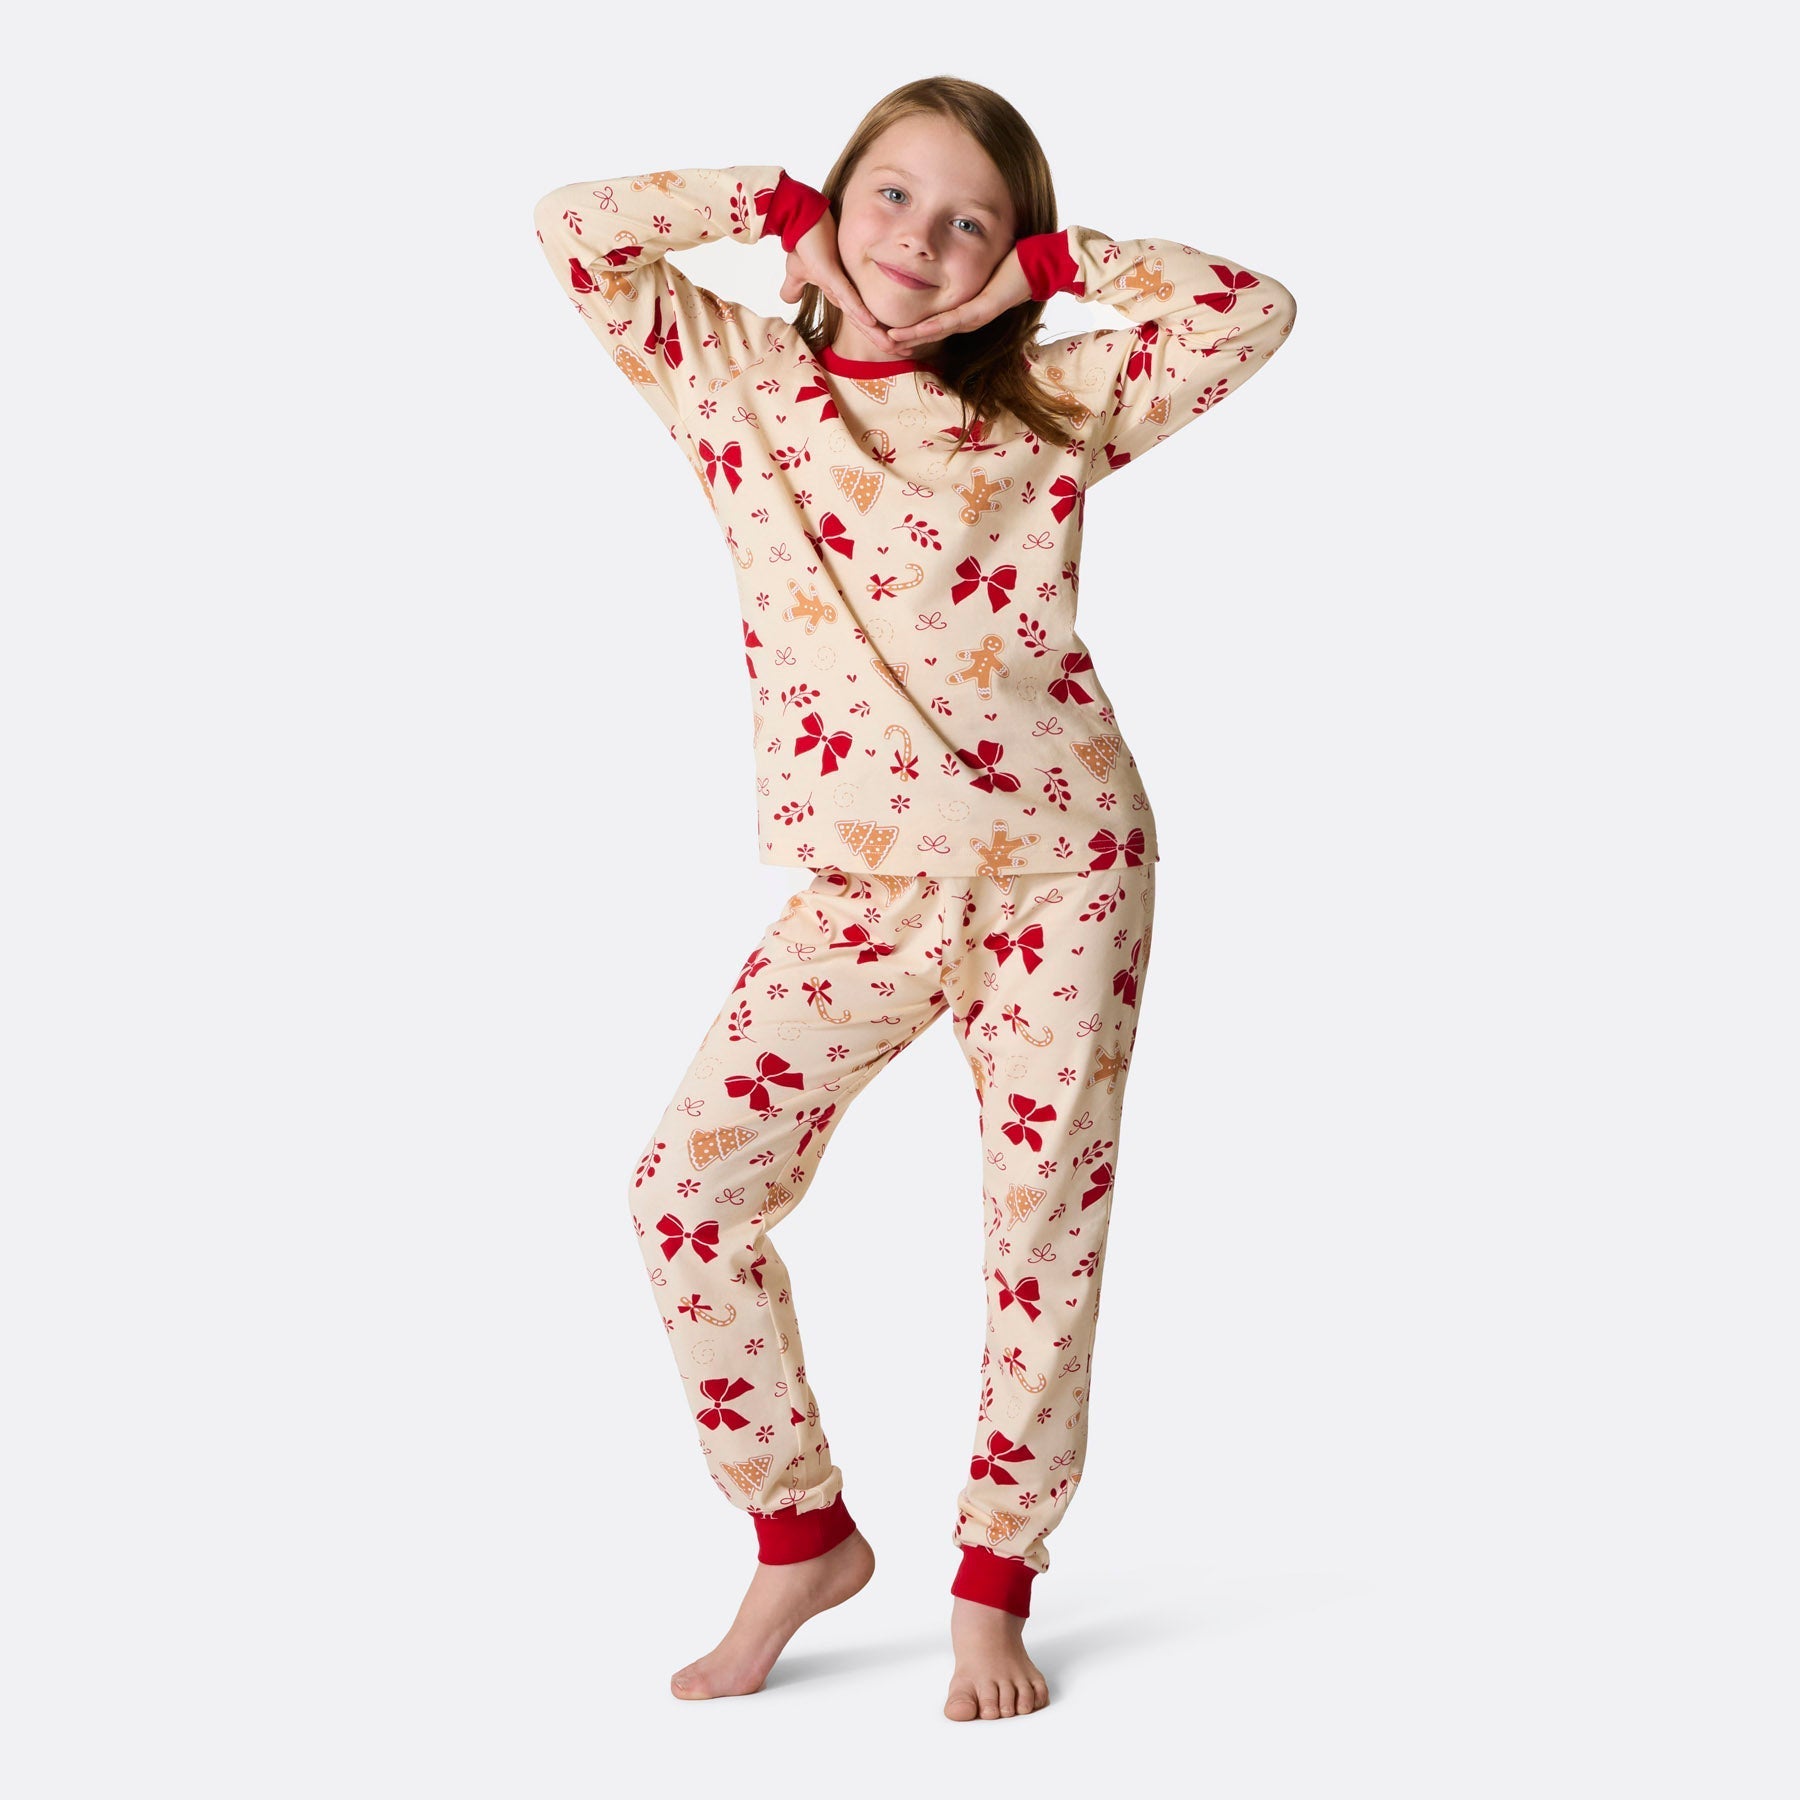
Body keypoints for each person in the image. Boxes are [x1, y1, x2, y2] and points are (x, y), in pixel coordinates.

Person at [532, 74, 1296, 1721]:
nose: (921, 240)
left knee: (1042, 1229)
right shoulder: (735, 377)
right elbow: (574, 231)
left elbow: (1252, 311)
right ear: (840, 199)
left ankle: (995, 1585)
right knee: (687, 1194)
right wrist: (774, 210)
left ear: (1007, 250)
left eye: (969, 220)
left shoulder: (1057, 404)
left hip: (1062, 868)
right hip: (862, 887)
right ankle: (800, 1535)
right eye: (892, 196)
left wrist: (1058, 267)